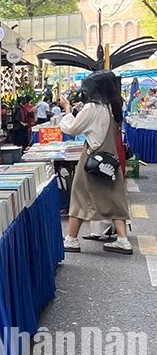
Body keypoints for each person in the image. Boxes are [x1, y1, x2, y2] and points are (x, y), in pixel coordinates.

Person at [59, 70, 131, 254]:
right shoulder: (112, 106)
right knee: (115, 197)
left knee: (79, 195)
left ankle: (71, 239)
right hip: (109, 159)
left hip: (93, 158)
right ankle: (123, 240)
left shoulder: (92, 108)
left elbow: (73, 128)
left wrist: (67, 110)